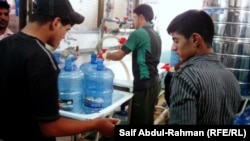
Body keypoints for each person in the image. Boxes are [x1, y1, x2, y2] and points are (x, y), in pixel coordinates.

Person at [0, 0, 119, 141]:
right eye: (66, 30)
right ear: (56, 22)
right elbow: (50, 127)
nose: (64, 36)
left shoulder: (5, 44)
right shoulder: (41, 57)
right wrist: (96, 124)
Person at [166, 9, 242, 125]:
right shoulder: (231, 78)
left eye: (176, 41)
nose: (173, 47)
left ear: (195, 39)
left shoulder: (186, 77)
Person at [103, 4, 162, 125]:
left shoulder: (138, 33)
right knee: (147, 120)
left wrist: (106, 55)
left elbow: (119, 55)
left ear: (141, 17)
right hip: (155, 83)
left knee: (138, 122)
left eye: (134, 17)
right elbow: (146, 53)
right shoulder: (156, 34)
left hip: (144, 85)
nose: (133, 20)